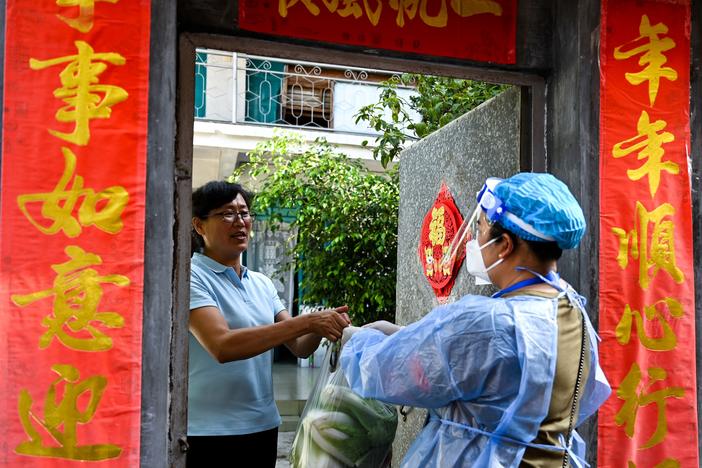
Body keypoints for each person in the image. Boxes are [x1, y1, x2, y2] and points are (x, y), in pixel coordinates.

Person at [340, 173, 611, 467]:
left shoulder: (487, 323)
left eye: (479, 229)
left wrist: (356, 339)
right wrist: (410, 335)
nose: (473, 239)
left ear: (504, 245)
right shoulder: (572, 308)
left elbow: (383, 373)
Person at [187, 180, 351, 467]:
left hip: (262, 426)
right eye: (227, 214)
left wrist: (321, 325)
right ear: (199, 226)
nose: (240, 222)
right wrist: (308, 321)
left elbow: (299, 347)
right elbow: (221, 345)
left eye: (245, 213)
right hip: (207, 432)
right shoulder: (191, 276)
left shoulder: (261, 283)